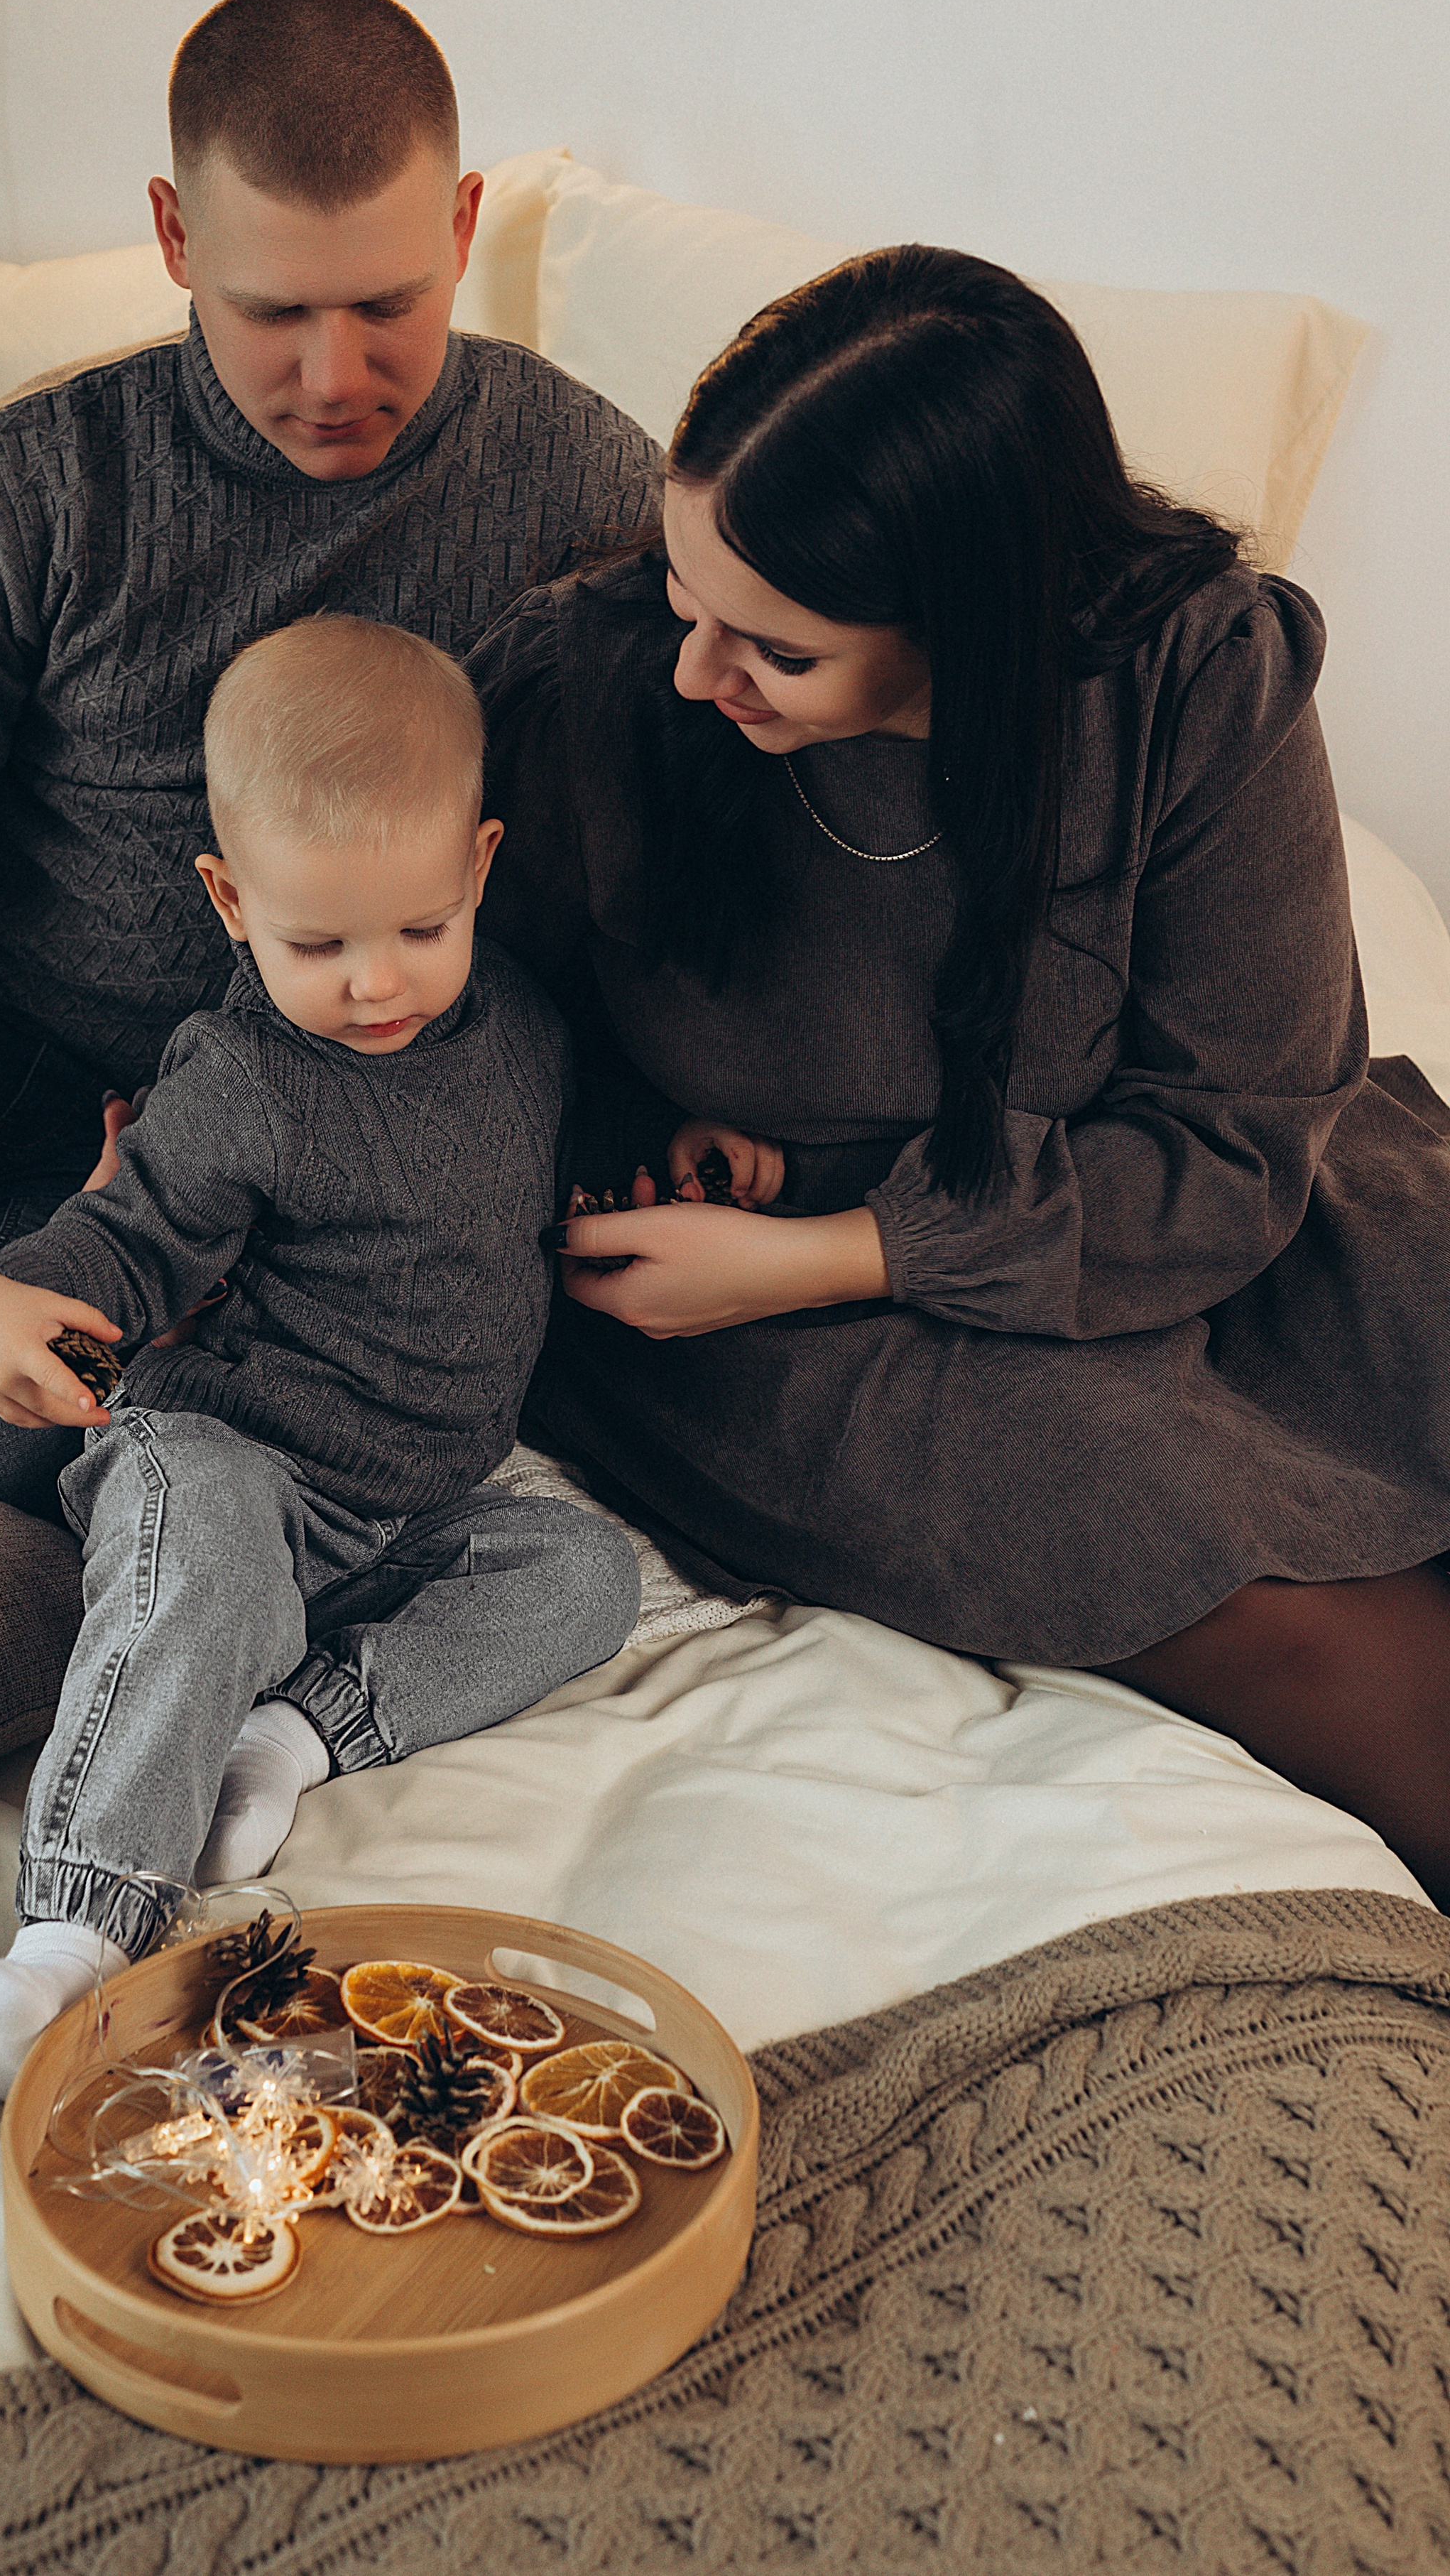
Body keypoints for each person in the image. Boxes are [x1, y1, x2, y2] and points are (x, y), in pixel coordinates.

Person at [472, 243, 1450, 1906]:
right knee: (1166, 1526)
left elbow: (1230, 1144)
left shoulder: (1195, 677)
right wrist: (669, 1164)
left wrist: (838, 1238)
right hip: (768, 1310)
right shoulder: (599, 680)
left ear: (966, 630)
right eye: (685, 593)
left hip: (1173, 1196)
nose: (698, 667)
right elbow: (458, 1011)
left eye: (769, 650)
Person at [0, 0, 657, 1515]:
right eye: (271, 310)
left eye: (384, 303)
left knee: (16, 1435)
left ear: (460, 226)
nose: (334, 378)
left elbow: (692, 827)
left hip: (201, 1141)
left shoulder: (580, 482)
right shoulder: (36, 483)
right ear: (178, 240)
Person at [0, 616, 640, 2094]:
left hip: (413, 1510)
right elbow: (128, 1234)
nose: (376, 982)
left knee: (585, 1574)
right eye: (319, 942)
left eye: (417, 929)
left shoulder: (523, 1026)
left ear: (480, 870)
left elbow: (556, 1167)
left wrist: (669, 1165)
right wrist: (2, 1295)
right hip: (239, 1455)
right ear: (229, 900)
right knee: (202, 1550)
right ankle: (71, 1936)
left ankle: (292, 1734)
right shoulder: (242, 1079)